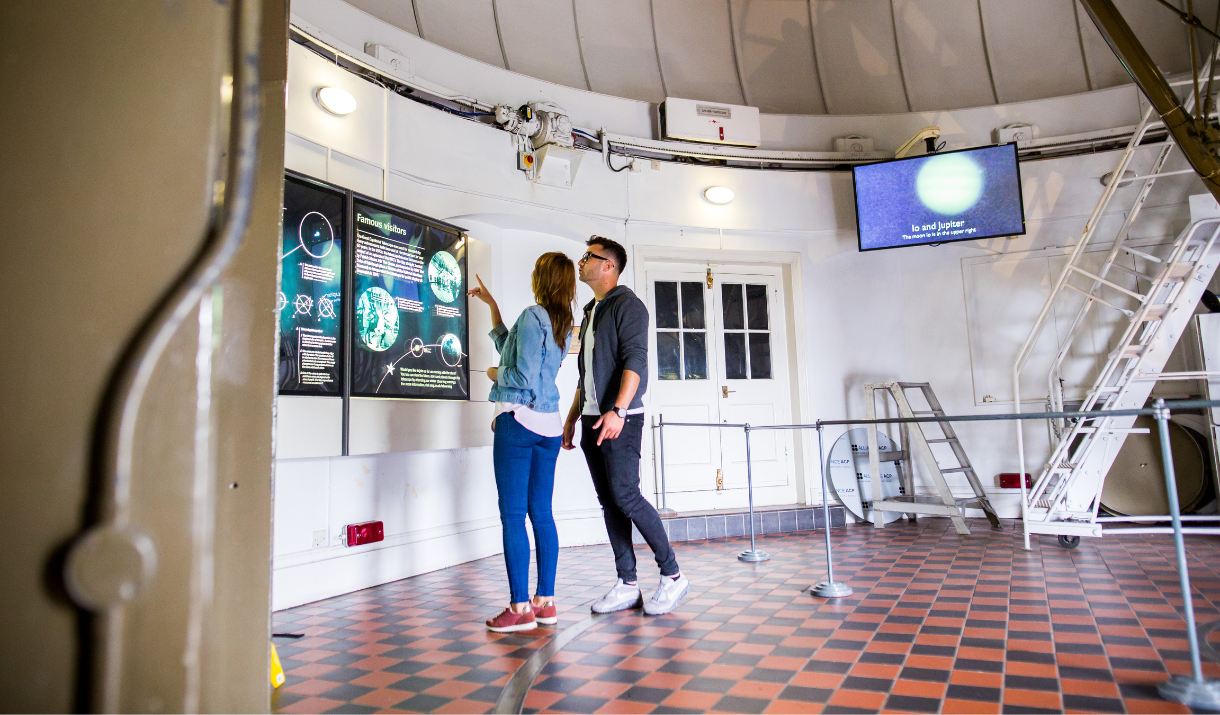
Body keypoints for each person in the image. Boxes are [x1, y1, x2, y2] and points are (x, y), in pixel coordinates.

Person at [562, 237, 689, 616]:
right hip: (590, 418)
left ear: (608, 267)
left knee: (627, 496)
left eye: (589, 257)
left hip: (621, 417)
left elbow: (636, 362)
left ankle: (673, 576)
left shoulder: (628, 306)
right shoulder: (591, 311)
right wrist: (572, 417)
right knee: (610, 502)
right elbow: (586, 376)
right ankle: (627, 583)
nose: (580, 261)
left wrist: (618, 410)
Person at [469, 252, 576, 633]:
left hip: (518, 422)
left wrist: (492, 373)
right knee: (541, 514)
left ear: (542, 279)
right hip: (548, 427)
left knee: (513, 515)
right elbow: (513, 348)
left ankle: (518, 609)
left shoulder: (534, 315)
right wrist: (493, 308)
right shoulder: (562, 323)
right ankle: (544, 603)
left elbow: (520, 374)